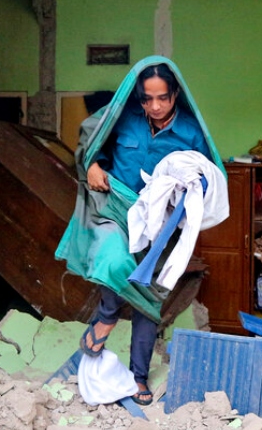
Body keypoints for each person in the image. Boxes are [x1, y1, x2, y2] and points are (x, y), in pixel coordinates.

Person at [56, 56, 224, 406]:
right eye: (147, 99)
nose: (155, 106)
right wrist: (95, 166)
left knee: (148, 299)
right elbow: (90, 143)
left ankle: (138, 377)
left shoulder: (191, 131)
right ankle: (104, 321)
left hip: (161, 226)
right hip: (117, 211)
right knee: (113, 261)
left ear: (176, 93)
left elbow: (209, 181)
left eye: (163, 97)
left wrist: (193, 188)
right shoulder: (123, 117)